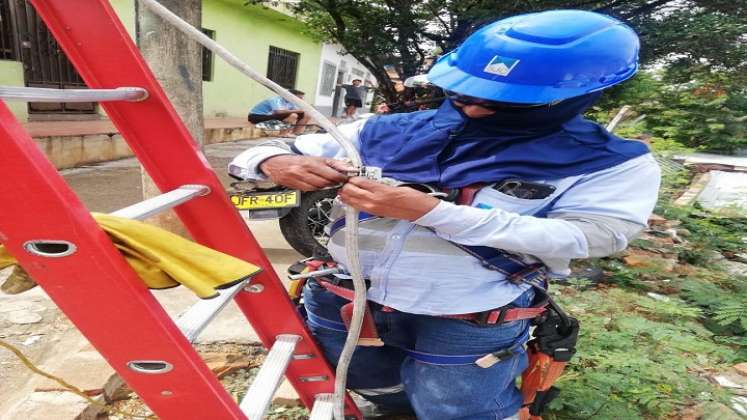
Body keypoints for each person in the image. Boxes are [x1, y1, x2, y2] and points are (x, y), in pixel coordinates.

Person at [230, 10, 660, 419]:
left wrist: (436, 213)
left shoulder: (608, 161)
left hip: (469, 315)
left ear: (577, 95)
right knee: (367, 381)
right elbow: (263, 153)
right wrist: (272, 162)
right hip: (347, 299)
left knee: (458, 407)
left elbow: (596, 237)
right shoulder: (385, 131)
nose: (472, 108)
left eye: (501, 102)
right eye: (462, 95)